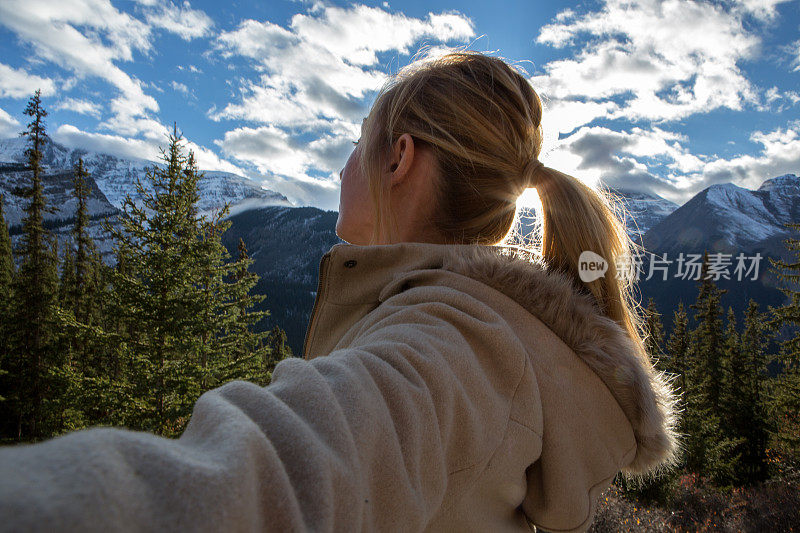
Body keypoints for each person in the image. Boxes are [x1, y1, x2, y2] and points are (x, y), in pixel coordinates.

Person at [0, 50, 681, 532]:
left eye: (359, 144)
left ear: (399, 157)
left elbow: (287, 473)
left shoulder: (452, 341)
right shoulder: (479, 330)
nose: (344, 166)